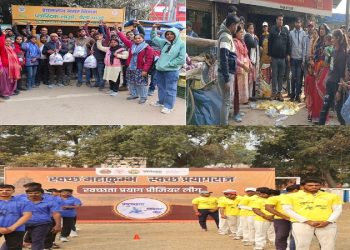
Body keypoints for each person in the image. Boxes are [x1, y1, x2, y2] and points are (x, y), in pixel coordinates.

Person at [282, 178, 343, 250]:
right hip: (301, 224)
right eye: (310, 185)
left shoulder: (332, 196)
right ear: (302, 186)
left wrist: (328, 221)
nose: (314, 187)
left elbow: (338, 210)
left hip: (326, 224)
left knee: (329, 246)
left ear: (320, 186)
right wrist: (307, 221)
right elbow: (288, 210)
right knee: (301, 246)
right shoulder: (290, 196)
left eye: (317, 185)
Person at [150, 24, 186, 114]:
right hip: (160, 70)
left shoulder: (181, 44)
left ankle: (169, 106)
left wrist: (169, 64)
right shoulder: (165, 43)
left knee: (171, 89)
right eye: (167, 34)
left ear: (176, 34)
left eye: (171, 34)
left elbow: (181, 59)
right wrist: (154, 28)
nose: (169, 36)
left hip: (171, 71)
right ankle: (161, 102)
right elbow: (154, 37)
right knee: (161, 87)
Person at [117, 29, 154, 104]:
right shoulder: (131, 45)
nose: (137, 40)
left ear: (143, 39)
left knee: (142, 83)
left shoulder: (147, 48)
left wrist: (145, 70)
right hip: (131, 67)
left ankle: (143, 97)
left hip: (141, 68)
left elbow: (149, 60)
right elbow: (124, 39)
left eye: (139, 38)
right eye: (136, 38)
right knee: (131, 82)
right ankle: (134, 94)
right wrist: (118, 31)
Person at [319, 29, 348, 125]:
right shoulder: (333, 51)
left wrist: (339, 91)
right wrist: (326, 78)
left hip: (337, 85)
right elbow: (331, 67)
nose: (331, 40)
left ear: (338, 38)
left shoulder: (343, 54)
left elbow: (342, 74)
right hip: (330, 83)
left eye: (333, 38)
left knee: (339, 113)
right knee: (324, 108)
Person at [217, 14, 240, 125]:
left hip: (228, 73)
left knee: (226, 101)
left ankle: (224, 121)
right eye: (236, 26)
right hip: (226, 74)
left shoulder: (227, 35)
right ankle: (224, 124)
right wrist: (226, 79)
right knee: (226, 102)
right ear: (232, 25)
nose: (237, 28)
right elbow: (224, 58)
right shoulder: (225, 36)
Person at [266, 184, 300, 250]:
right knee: (281, 236)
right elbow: (268, 208)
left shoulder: (301, 198)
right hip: (282, 219)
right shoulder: (277, 197)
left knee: (296, 237)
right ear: (295, 190)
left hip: (298, 219)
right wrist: (284, 216)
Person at [0, 184, 33, 250]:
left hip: (16, 229)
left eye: (8, 190)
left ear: (13, 191)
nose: (4, 191)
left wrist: (12, 228)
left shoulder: (22, 202)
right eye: (1, 190)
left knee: (14, 248)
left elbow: (27, 215)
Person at [309, 24, 331, 123]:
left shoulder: (328, 42)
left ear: (326, 30)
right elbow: (314, 54)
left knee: (321, 91)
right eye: (320, 29)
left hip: (325, 69)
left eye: (323, 29)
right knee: (314, 92)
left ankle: (322, 117)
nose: (321, 30)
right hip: (316, 68)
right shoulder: (317, 41)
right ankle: (315, 115)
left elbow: (330, 57)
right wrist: (312, 61)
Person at [268, 14, 291, 102]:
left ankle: (279, 93)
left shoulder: (285, 30)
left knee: (281, 76)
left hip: (283, 58)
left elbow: (288, 43)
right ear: (276, 20)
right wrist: (269, 55)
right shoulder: (273, 29)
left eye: (282, 20)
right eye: (279, 19)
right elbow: (269, 43)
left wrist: (288, 54)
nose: (281, 21)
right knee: (274, 76)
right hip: (274, 57)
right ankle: (273, 93)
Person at [233, 25, 250, 122]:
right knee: (237, 92)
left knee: (241, 91)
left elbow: (245, 54)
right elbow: (236, 57)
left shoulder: (242, 41)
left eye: (242, 32)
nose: (242, 34)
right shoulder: (234, 42)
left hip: (244, 69)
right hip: (239, 69)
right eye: (240, 32)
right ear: (236, 33)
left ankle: (238, 110)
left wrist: (249, 64)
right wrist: (243, 66)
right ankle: (235, 112)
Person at [0, 28, 21, 100]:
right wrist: (3, 35)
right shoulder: (3, 48)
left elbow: (16, 57)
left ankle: (11, 91)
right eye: (6, 41)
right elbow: (1, 43)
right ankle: (4, 93)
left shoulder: (11, 48)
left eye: (9, 41)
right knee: (4, 81)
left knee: (12, 80)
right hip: (4, 67)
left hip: (13, 68)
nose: (8, 42)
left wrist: (19, 64)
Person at [289, 18, 306, 102]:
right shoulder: (291, 33)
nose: (297, 24)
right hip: (293, 59)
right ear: (295, 23)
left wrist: (303, 60)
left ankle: (298, 95)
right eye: (296, 22)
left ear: (301, 23)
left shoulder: (304, 34)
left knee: (299, 79)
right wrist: (289, 57)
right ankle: (292, 95)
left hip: (300, 60)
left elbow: (304, 47)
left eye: (299, 22)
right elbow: (289, 45)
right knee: (293, 78)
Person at [245, 22, 260, 102]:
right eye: (250, 28)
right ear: (247, 29)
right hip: (249, 61)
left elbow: (256, 43)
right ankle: (248, 95)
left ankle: (251, 95)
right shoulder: (247, 36)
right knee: (249, 79)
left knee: (252, 79)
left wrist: (255, 39)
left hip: (253, 61)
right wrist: (255, 39)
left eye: (252, 28)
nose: (252, 30)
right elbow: (254, 44)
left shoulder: (253, 37)